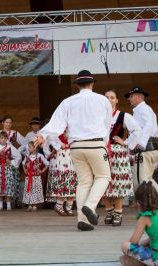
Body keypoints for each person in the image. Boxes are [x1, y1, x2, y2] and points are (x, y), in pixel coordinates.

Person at [35, 70, 112, 231]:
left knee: (84, 181)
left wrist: (43, 135)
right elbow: (107, 124)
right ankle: (90, 207)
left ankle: (82, 220)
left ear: (78, 85)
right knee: (103, 176)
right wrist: (105, 142)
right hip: (96, 144)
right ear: (92, 84)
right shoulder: (102, 100)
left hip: (76, 147)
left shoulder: (68, 101)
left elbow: (56, 123)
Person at [103, 89, 141, 226]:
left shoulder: (123, 116)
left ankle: (118, 212)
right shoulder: (98, 116)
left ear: (116, 100)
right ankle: (109, 211)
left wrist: (126, 142)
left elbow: (137, 130)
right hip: (102, 152)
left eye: (112, 97)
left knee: (117, 182)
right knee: (103, 182)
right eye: (106, 97)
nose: (109, 99)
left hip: (117, 152)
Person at [125, 86, 158, 190]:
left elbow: (148, 125)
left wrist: (141, 144)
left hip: (145, 149)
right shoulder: (142, 110)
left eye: (131, 96)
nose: (128, 99)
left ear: (139, 97)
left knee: (142, 181)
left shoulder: (143, 109)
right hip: (150, 148)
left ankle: (147, 205)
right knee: (147, 180)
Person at [120, 181, 158, 266]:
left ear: (138, 203)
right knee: (125, 259)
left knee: (125, 246)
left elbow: (133, 242)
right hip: (156, 251)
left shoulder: (145, 217)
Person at [44, 131, 77, 216]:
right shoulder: (55, 132)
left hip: (71, 157)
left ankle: (69, 207)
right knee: (62, 181)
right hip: (59, 159)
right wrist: (50, 154)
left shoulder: (73, 129)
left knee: (72, 182)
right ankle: (59, 205)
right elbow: (45, 145)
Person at [0, 131, 21, 211]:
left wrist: (11, 161)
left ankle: (8, 204)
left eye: (5, 138)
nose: (3, 140)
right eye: (1, 138)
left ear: (7, 139)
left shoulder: (10, 147)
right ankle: (0, 204)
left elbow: (18, 156)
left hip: (7, 169)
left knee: (8, 185)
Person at [22, 142, 49, 212]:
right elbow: (23, 163)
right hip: (29, 177)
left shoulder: (40, 156)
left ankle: (35, 205)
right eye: (28, 147)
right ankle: (30, 205)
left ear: (35, 148)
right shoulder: (27, 156)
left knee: (35, 190)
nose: (28, 148)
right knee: (29, 190)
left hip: (36, 177)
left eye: (30, 147)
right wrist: (25, 169)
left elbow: (47, 164)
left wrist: (42, 171)